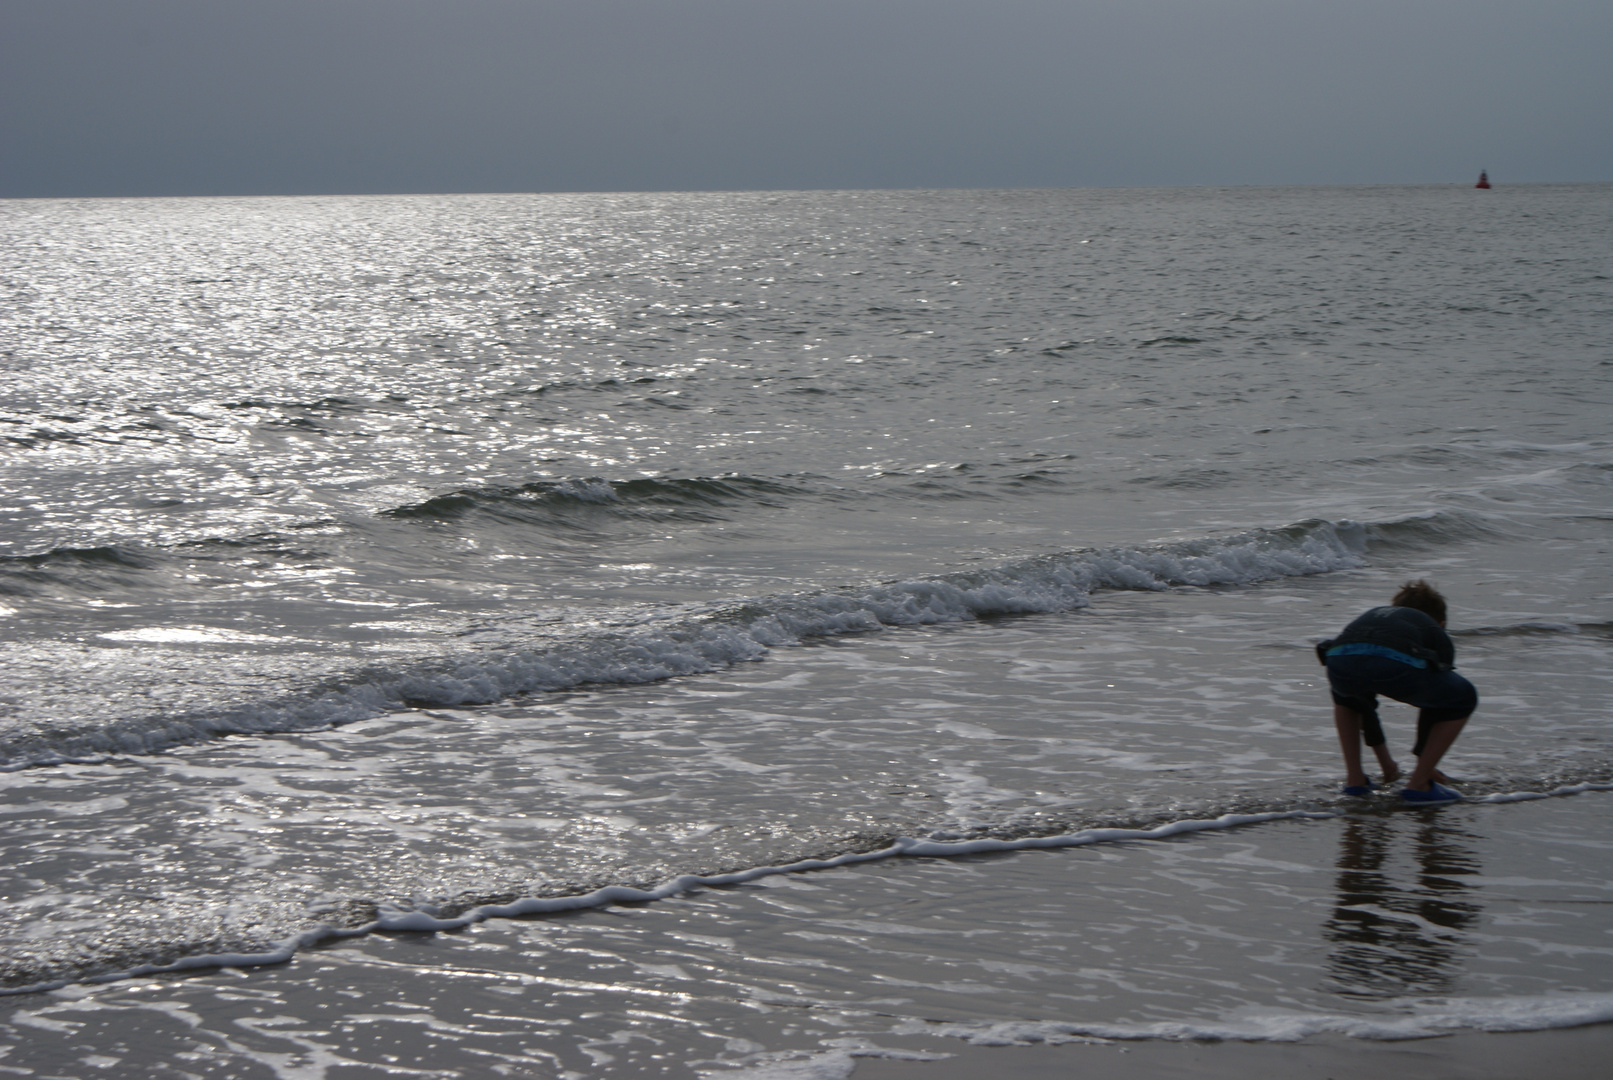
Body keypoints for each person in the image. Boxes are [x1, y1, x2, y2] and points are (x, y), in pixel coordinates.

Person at [1316, 580, 1477, 804]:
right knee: (1462, 697)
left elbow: (1365, 706)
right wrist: (1424, 763)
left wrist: (1388, 766)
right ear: (1441, 624)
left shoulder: (1378, 617)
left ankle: (1355, 781)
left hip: (1338, 658)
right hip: (1392, 660)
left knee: (1349, 700)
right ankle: (1419, 784)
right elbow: (1436, 705)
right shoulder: (1433, 630)